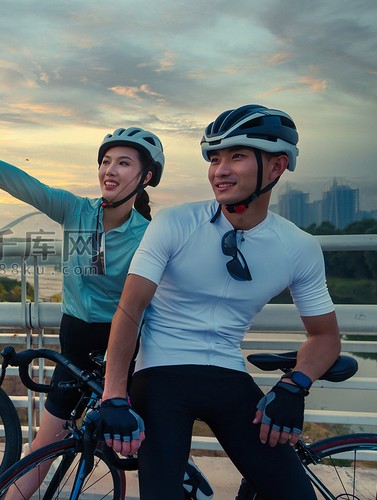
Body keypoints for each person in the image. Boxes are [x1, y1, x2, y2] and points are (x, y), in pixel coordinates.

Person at [0, 129, 215, 498]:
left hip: (130, 353)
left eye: (124, 163)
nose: (110, 170)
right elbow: (16, 179)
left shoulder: (151, 234)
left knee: (150, 454)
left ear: (147, 177)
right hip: (75, 348)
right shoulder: (75, 210)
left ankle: (180, 474)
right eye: (106, 161)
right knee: (39, 456)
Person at [100, 105, 342, 499]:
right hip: (161, 372)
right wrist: (113, 394)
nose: (220, 170)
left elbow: (325, 336)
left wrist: (295, 386)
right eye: (214, 158)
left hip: (228, 373)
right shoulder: (175, 223)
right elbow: (130, 309)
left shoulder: (298, 247)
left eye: (237, 156)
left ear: (277, 166)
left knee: (296, 495)